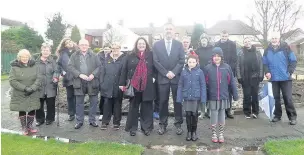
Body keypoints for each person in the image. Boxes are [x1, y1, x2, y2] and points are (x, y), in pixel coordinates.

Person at [153, 22, 185, 135]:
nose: (168, 31)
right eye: (166, 29)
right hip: (163, 78)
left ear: (173, 31)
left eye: (170, 29)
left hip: (176, 78)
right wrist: (166, 73)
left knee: (178, 101)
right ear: (164, 31)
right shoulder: (157, 45)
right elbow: (155, 61)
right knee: (162, 102)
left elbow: (182, 60)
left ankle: (178, 124)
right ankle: (162, 124)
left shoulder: (179, 44)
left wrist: (173, 72)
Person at [119, 37, 155, 136]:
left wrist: (154, 78)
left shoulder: (151, 55)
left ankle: (146, 128)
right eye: (139, 43)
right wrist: (122, 84)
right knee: (133, 107)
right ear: (136, 45)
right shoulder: (130, 55)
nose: (141, 45)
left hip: (147, 85)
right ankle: (132, 128)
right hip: (134, 85)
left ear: (146, 45)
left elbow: (156, 67)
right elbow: (124, 70)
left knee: (147, 107)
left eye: (143, 44)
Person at [204, 47, 238, 143]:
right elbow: (205, 84)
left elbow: (231, 82)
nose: (216, 58)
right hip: (212, 96)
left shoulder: (227, 67)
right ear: (212, 57)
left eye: (218, 56)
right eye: (214, 56)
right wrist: (204, 96)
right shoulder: (208, 68)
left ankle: (221, 133)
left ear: (221, 57)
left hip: (223, 96)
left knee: (222, 114)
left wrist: (235, 94)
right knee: (214, 114)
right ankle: (214, 133)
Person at [263, 32, 297, 125]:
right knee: (276, 98)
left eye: (275, 38)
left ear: (279, 39)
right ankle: (277, 115)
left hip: (285, 78)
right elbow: (265, 63)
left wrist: (289, 72)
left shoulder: (286, 48)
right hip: (273, 79)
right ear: (271, 40)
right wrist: (267, 72)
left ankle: (292, 117)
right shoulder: (267, 50)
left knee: (288, 98)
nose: (274, 40)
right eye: (272, 38)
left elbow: (293, 61)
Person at [68, 39, 101, 129]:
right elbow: (70, 66)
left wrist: (93, 74)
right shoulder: (74, 55)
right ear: (79, 45)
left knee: (93, 102)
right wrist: (79, 74)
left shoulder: (94, 55)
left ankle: (92, 120)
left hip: (92, 81)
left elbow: (99, 66)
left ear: (88, 45)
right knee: (79, 103)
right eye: (82, 44)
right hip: (79, 81)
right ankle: (79, 121)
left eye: (85, 45)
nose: (84, 46)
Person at [9, 49, 41, 135]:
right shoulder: (14, 67)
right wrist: (25, 88)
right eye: (22, 56)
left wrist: (32, 88)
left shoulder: (35, 66)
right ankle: (24, 128)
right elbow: (12, 81)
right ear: (19, 57)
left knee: (32, 108)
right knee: (22, 109)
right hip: (20, 93)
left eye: (26, 56)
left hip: (33, 92)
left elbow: (39, 78)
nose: (24, 58)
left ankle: (29, 126)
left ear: (29, 57)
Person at [177, 53, 206, 141]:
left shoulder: (200, 72)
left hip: (195, 97)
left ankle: (194, 132)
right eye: (190, 62)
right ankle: (189, 131)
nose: (191, 63)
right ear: (187, 62)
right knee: (188, 114)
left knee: (194, 114)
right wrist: (179, 97)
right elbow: (180, 85)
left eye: (193, 62)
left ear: (196, 62)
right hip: (186, 97)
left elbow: (203, 85)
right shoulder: (183, 72)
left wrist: (203, 98)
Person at [100, 42, 126, 130]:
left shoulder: (124, 58)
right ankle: (105, 122)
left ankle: (116, 123)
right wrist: (102, 83)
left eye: (117, 48)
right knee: (107, 103)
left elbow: (125, 72)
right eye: (113, 48)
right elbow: (102, 72)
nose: (115, 50)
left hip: (118, 85)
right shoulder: (107, 58)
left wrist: (123, 84)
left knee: (117, 104)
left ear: (120, 48)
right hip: (107, 85)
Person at [236, 38, 264, 119]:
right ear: (243, 43)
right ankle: (247, 112)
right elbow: (238, 66)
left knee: (255, 95)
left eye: (248, 41)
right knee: (247, 96)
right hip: (245, 78)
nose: (247, 43)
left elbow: (261, 64)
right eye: (245, 42)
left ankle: (255, 112)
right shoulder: (240, 53)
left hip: (255, 77)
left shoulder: (257, 52)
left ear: (251, 42)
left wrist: (261, 75)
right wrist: (239, 77)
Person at [34, 43, 60, 126]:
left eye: (47, 50)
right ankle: (40, 119)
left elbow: (57, 71)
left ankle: (50, 119)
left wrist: (55, 77)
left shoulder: (53, 61)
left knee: (50, 104)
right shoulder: (35, 61)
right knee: (39, 105)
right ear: (41, 51)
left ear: (50, 52)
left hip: (50, 86)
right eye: (44, 50)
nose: (45, 52)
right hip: (39, 86)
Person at [215, 30, 237, 119]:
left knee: (229, 92)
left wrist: (230, 70)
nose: (224, 38)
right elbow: (215, 57)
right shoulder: (216, 44)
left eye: (226, 36)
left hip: (229, 70)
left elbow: (235, 58)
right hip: (219, 70)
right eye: (223, 36)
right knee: (221, 91)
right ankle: (222, 111)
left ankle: (228, 110)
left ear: (228, 36)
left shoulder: (232, 44)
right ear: (220, 35)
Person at [57, 38, 77, 121]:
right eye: (67, 42)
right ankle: (71, 114)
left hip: (77, 78)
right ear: (64, 45)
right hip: (68, 79)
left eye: (70, 41)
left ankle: (78, 113)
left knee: (78, 96)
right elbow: (58, 65)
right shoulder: (62, 54)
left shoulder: (77, 52)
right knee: (70, 97)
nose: (69, 43)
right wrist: (62, 72)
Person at [195, 34, 214, 119]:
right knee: (202, 93)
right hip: (200, 74)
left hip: (210, 73)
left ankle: (209, 111)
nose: (204, 41)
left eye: (205, 40)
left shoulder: (212, 49)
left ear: (207, 41)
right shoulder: (197, 50)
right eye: (202, 40)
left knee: (210, 92)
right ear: (200, 41)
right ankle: (202, 111)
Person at [97, 44, 112, 121]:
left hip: (110, 80)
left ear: (110, 49)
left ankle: (109, 113)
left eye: (108, 49)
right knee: (102, 97)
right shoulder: (99, 56)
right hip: (101, 79)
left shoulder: (112, 56)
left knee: (109, 98)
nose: (106, 50)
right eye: (105, 49)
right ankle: (101, 113)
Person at [152, 34, 162, 120]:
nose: (156, 40)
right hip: (150, 76)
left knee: (158, 95)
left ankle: (156, 111)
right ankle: (147, 112)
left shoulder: (162, 51)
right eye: (155, 39)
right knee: (149, 95)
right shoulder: (150, 51)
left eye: (158, 39)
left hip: (160, 75)